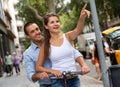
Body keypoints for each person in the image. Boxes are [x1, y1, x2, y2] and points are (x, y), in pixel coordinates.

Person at [36, 3, 90, 87]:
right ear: (46, 26)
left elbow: (78, 29)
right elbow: (38, 67)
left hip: (73, 79)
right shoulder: (46, 45)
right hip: (57, 81)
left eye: (57, 21)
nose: (56, 24)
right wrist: (52, 71)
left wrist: (82, 17)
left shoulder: (68, 36)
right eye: (52, 22)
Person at [23, 22, 90, 87]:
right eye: (32, 32)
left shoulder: (54, 40)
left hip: (67, 80)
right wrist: (39, 75)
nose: (37, 32)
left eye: (37, 29)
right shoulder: (28, 53)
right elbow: (30, 75)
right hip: (47, 84)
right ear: (28, 36)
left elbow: (74, 52)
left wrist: (83, 65)